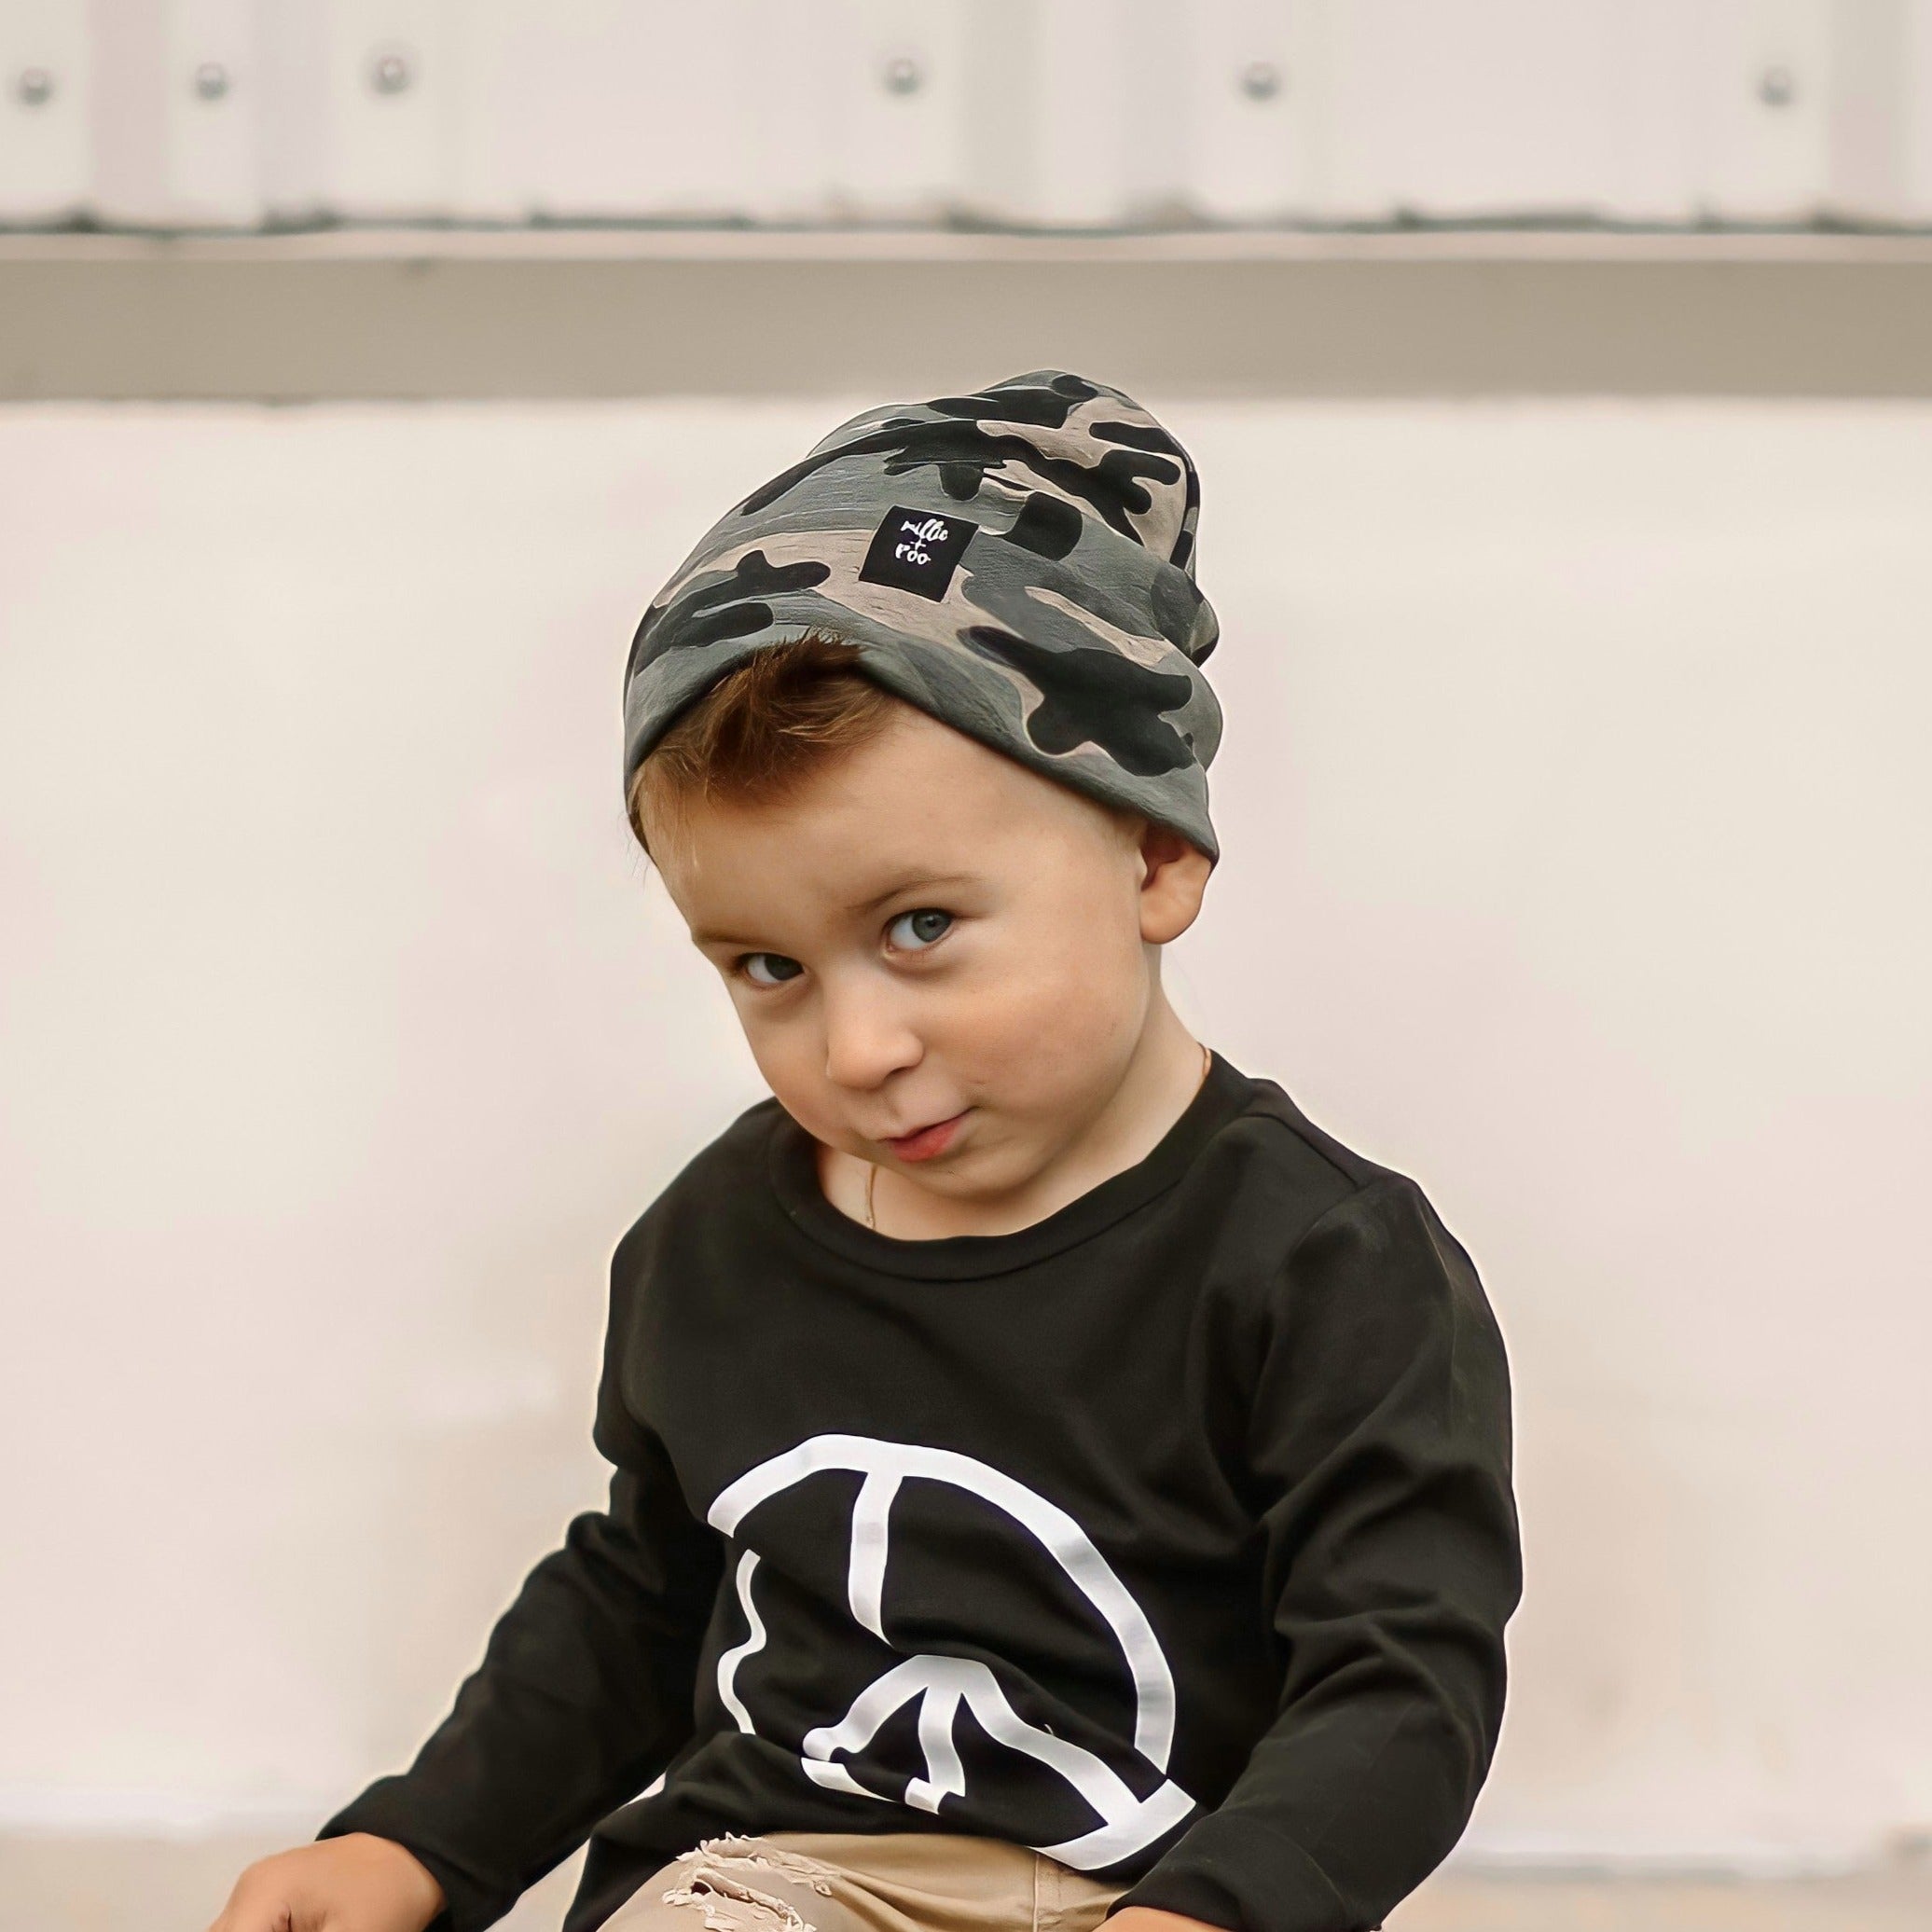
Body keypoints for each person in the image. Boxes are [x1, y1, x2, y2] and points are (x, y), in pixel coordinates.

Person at [209, 371, 1522, 1932]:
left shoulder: (1324, 1265)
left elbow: (1400, 1681)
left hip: (1169, 1891)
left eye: (920, 927)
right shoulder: (720, 1243)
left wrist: (1221, 1912)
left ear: (1155, 854)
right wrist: (414, 1845)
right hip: (788, 1875)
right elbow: (637, 1606)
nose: (856, 1051)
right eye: (768, 967)